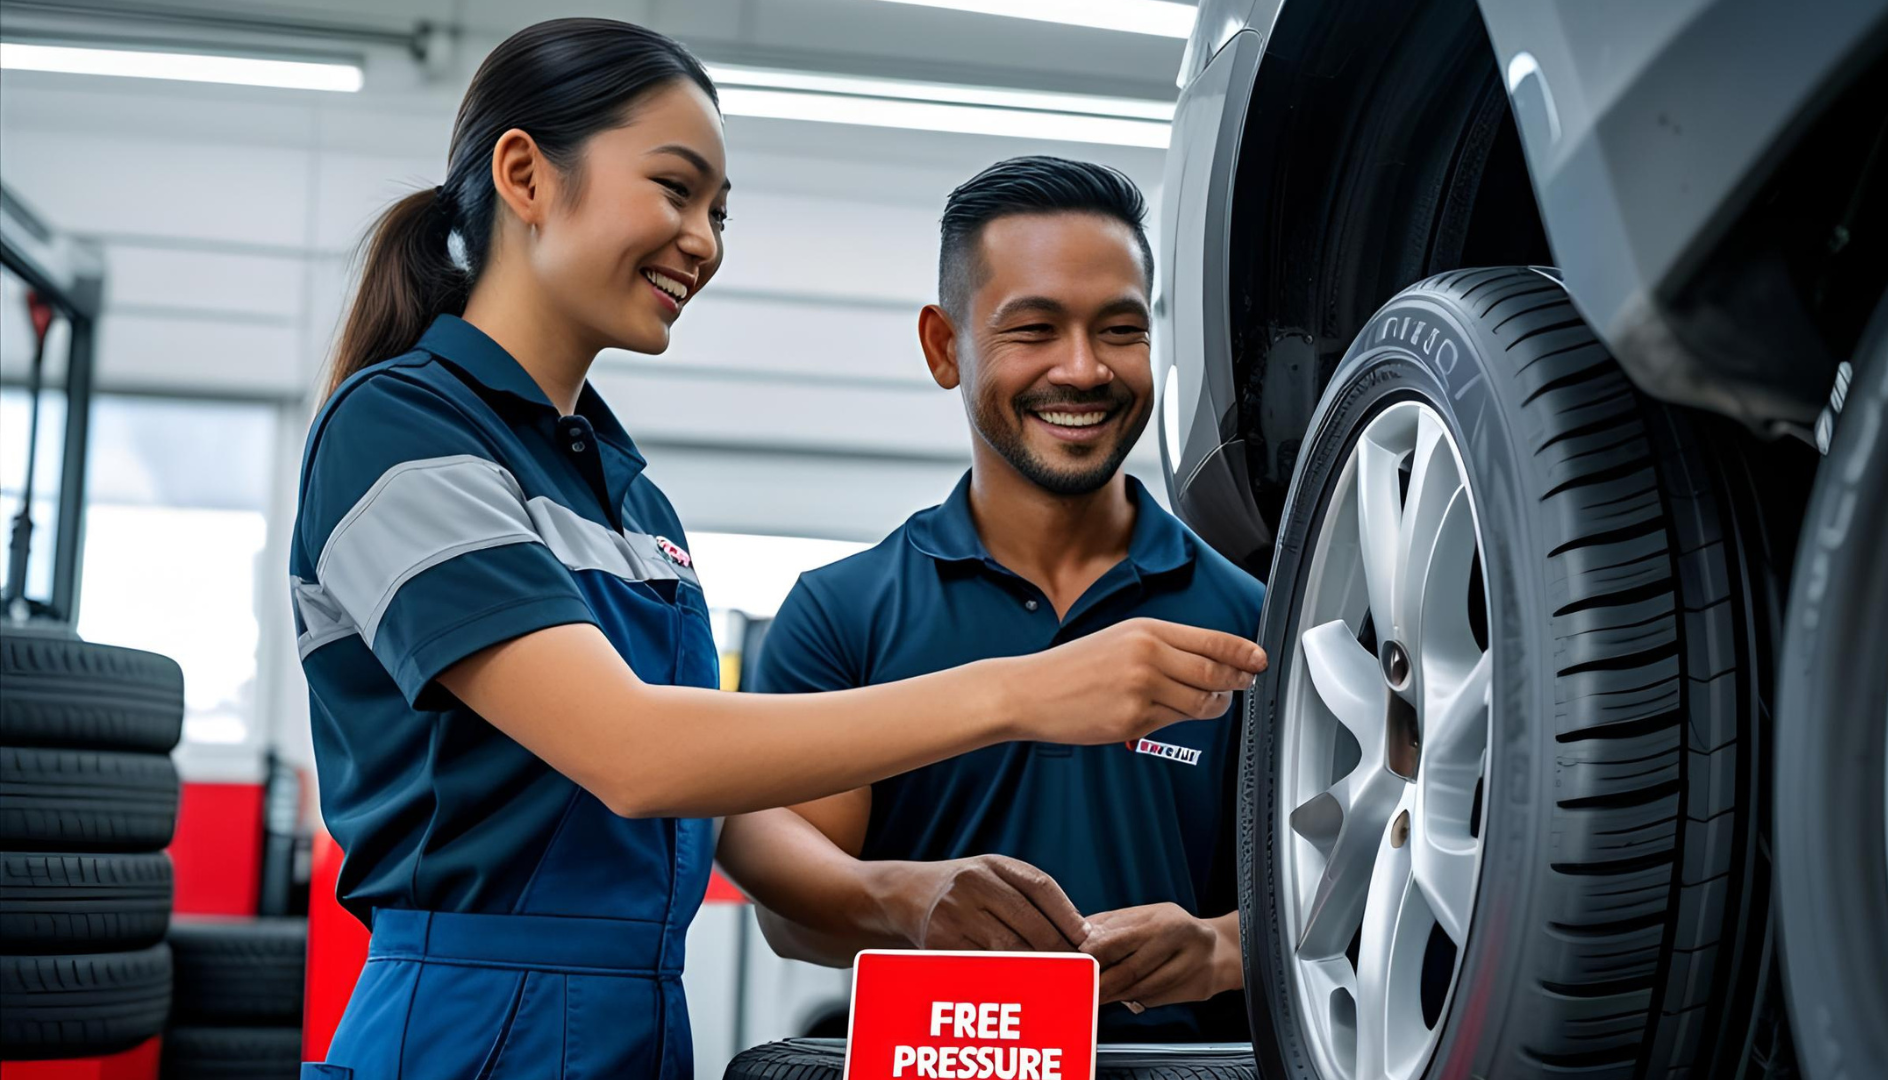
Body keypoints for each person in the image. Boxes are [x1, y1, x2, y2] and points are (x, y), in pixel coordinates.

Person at [288, 22, 1265, 1080]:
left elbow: (718, 793)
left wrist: (908, 893)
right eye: (676, 189)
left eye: (718, 212)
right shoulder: (400, 430)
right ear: (524, 174)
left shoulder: (627, 496)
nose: (703, 240)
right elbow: (637, 754)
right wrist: (1024, 694)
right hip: (469, 1023)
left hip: (637, 1022)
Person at [716, 157, 1265, 1041]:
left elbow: (1342, 885)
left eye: (1119, 330)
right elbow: (792, 909)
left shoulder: (1251, 620)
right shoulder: (844, 611)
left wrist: (1219, 948)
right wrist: (905, 897)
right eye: (1035, 329)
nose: (1083, 370)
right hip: (932, 1061)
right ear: (945, 347)